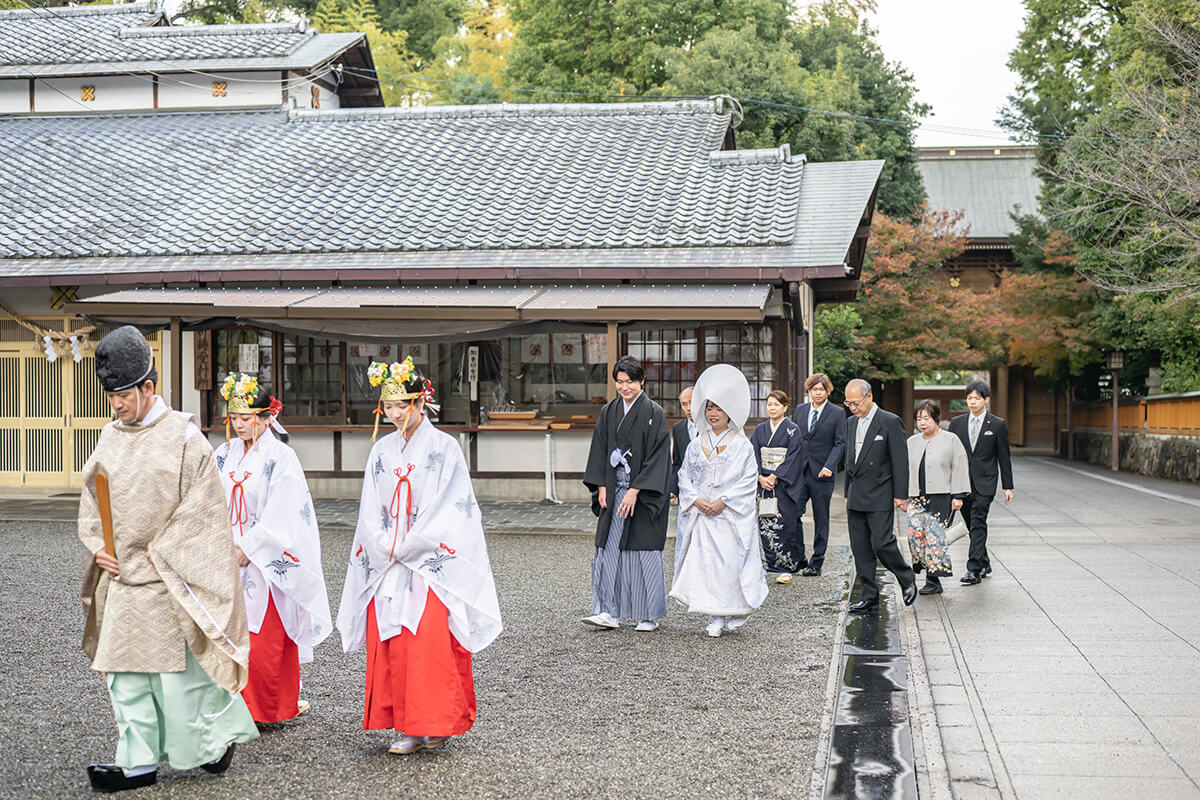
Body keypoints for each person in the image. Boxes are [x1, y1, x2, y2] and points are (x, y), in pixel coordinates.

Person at [78, 325, 257, 793]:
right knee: (124, 678)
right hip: (123, 579)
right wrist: (99, 547)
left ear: (148, 387)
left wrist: (160, 552)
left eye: (123, 395)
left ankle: (212, 746)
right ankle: (137, 762)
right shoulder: (110, 436)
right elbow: (93, 500)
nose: (116, 405)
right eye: (111, 396)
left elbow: (204, 513)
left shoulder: (184, 438)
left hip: (167, 579)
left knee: (179, 683)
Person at [337, 357, 502, 755]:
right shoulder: (382, 451)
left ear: (421, 402)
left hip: (427, 561)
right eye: (388, 407)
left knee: (429, 643)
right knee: (396, 644)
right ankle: (408, 725)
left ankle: (437, 722)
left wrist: (410, 545)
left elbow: (452, 506)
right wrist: (382, 543)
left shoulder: (445, 448)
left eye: (402, 406)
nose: (395, 414)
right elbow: (370, 508)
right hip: (389, 560)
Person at [213, 374, 332, 723]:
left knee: (263, 637)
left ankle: (267, 707)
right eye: (234, 418)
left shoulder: (282, 457)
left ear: (267, 417)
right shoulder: (223, 454)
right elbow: (208, 499)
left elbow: (285, 511)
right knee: (225, 630)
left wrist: (249, 547)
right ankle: (228, 703)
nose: (239, 425)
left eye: (246, 418)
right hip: (225, 551)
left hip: (264, 557)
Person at [670, 364, 768, 637]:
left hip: (728, 515)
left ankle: (737, 608)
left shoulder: (741, 445)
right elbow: (684, 474)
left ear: (730, 412)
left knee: (730, 565)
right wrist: (695, 499)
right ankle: (715, 615)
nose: (713, 414)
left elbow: (749, 478)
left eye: (719, 409)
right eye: (709, 408)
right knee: (708, 566)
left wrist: (723, 501)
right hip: (703, 513)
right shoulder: (696, 443)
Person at [581, 356, 672, 632]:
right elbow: (599, 449)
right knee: (609, 549)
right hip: (613, 488)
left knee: (643, 551)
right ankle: (609, 612)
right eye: (619, 382)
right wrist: (601, 485)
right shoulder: (609, 411)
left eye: (630, 381)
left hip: (643, 494)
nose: (624, 387)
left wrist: (635, 489)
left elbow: (658, 457)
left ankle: (647, 615)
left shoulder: (654, 413)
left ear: (641, 380)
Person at [842, 379, 917, 612]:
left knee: (882, 543)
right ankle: (869, 595)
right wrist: (846, 491)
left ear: (869, 397)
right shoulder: (851, 423)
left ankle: (906, 577)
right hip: (856, 493)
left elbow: (900, 461)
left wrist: (901, 494)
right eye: (848, 403)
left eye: (856, 403)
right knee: (860, 547)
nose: (852, 408)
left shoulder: (890, 421)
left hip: (880, 491)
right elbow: (850, 460)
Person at [947, 380, 1015, 585]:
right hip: (962, 483)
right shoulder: (957, 423)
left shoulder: (997, 425)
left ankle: (974, 569)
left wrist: (1007, 486)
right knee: (971, 524)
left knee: (978, 520)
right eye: (969, 398)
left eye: (976, 398)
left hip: (986, 482)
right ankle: (984, 562)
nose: (972, 402)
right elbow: (951, 455)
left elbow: (1004, 457)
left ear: (986, 399)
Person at [905, 400, 971, 595]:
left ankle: (933, 580)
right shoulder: (911, 442)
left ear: (936, 418)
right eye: (919, 419)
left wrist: (958, 496)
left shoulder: (951, 440)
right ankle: (926, 573)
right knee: (916, 537)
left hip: (941, 496)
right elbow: (904, 469)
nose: (922, 423)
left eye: (926, 418)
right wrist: (901, 496)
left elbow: (959, 466)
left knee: (934, 538)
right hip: (916, 496)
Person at [750, 390, 808, 583]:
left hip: (784, 486)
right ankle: (771, 565)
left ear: (785, 407)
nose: (772, 408)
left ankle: (787, 568)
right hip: (764, 484)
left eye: (776, 404)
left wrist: (775, 476)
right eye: (769, 404)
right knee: (766, 524)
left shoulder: (793, 430)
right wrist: (760, 476)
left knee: (785, 525)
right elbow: (753, 455)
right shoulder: (760, 430)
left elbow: (794, 457)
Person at [792, 373, 845, 577]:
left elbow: (840, 442)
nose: (818, 393)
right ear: (809, 390)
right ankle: (799, 558)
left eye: (822, 390)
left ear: (827, 391)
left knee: (821, 519)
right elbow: (795, 439)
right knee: (793, 513)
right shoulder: (800, 410)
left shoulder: (837, 413)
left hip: (823, 474)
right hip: (801, 472)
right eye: (814, 389)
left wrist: (829, 466)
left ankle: (816, 562)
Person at [668, 385, 696, 501]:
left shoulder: (710, 427)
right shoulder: (678, 428)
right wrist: (673, 489)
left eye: (692, 402)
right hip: (685, 490)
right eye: (684, 404)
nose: (688, 408)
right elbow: (677, 462)